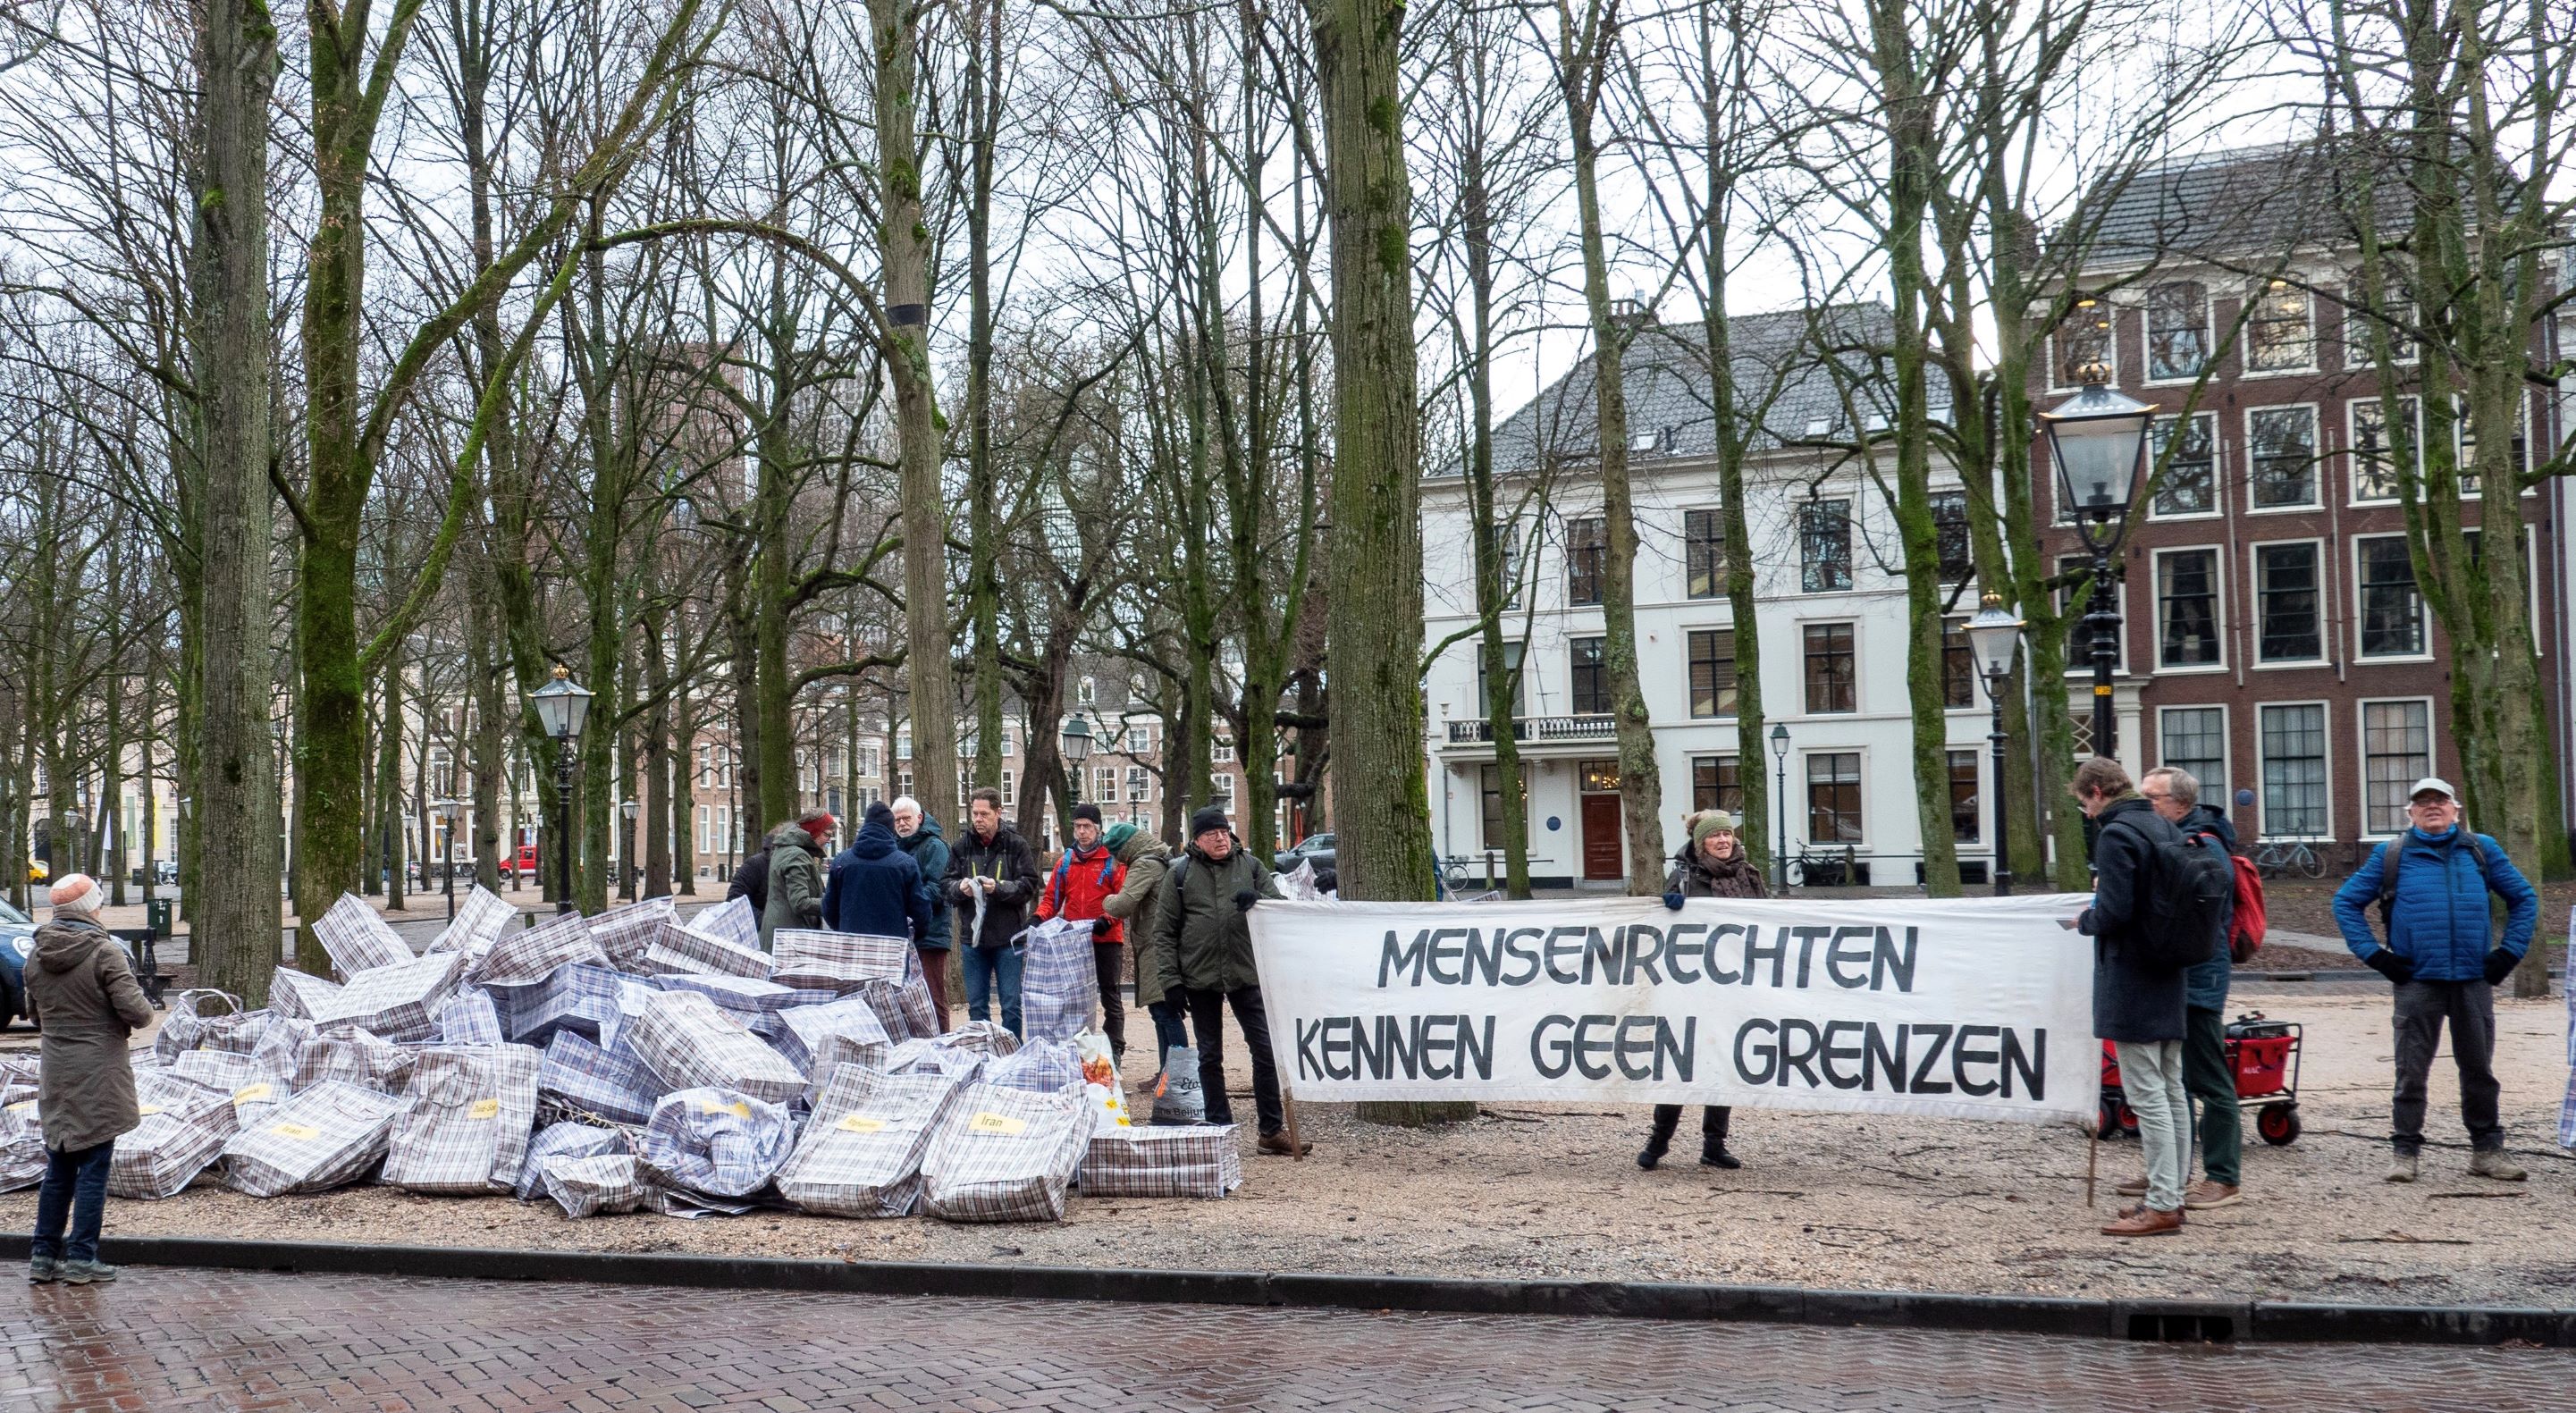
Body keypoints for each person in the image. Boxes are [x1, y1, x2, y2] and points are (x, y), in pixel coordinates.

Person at [2331, 776, 2536, 1183]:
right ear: (2410, 813)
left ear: (2456, 809)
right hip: (2417, 981)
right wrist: (2377, 958)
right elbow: (2345, 902)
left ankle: (2487, 1152)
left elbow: (2524, 898)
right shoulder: (2391, 854)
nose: (2432, 808)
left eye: (2440, 801)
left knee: (2479, 1069)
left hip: (2473, 979)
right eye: (2422, 802)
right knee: (2411, 1070)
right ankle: (2405, 1153)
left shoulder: (2481, 850)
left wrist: (2509, 953)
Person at [2070, 756, 2191, 1238]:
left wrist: (2085, 920)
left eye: (2083, 801)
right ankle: (2172, 1192)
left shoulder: (2118, 835)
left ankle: (2162, 1204)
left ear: (2098, 791)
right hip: (2169, 973)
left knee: (2147, 1094)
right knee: (2172, 1088)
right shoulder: (2164, 827)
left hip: (2132, 976)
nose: (2084, 811)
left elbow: (2116, 912)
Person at [1148, 806, 1301, 1156]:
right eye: (1211, 833)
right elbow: (1164, 931)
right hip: (1199, 977)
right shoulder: (1180, 874)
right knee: (1210, 1054)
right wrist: (1169, 981)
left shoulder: (1250, 866)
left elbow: (1279, 907)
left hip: (1246, 972)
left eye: (1224, 831)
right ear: (1197, 840)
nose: (1220, 838)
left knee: (1264, 1050)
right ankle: (1220, 1126)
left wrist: (1258, 899)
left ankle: (1271, 1130)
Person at [26, 874, 152, 1284]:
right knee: (94, 1168)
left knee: (58, 1165)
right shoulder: (104, 953)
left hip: (56, 1072)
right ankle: (82, 1257)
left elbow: (33, 1014)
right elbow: (139, 1014)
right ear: (92, 908)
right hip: (99, 1073)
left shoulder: (36, 955)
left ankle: (43, 1257)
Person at [2135, 766, 2243, 1211]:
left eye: (2154, 798)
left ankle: (2223, 1176)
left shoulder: (2203, 846)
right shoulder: (2176, 839)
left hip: (2199, 976)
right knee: (2170, 1077)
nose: (2146, 805)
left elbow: (2199, 915)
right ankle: (2171, 1171)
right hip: (2182, 973)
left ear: (2180, 805)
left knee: (2207, 1077)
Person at [1641, 812, 1762, 1172]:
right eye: (1715, 836)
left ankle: (1714, 1145)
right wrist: (1668, 906)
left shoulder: (1749, 875)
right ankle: (1658, 1141)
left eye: (1728, 834)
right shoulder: (1684, 876)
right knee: (1681, 1064)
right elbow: (1659, 925)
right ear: (1701, 842)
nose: (1724, 840)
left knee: (1722, 1063)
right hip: (1690, 987)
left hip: (1734, 986)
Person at [1036, 803, 1130, 1060]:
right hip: (1075, 941)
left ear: (1098, 829)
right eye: (1077, 827)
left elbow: (1125, 898)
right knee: (1076, 998)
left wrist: (1108, 919)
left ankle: (1114, 1052)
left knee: (1110, 995)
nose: (1082, 832)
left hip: (1107, 938)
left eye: (1087, 826)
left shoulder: (1112, 860)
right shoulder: (1066, 861)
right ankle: (1080, 1051)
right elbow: (1052, 900)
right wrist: (1037, 918)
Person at [945, 787, 1040, 1035]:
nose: (977, 819)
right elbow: (945, 886)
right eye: (974, 813)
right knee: (977, 1007)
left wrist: (998, 888)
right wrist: (960, 888)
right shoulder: (960, 847)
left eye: (984, 814)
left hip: (1008, 938)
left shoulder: (1016, 845)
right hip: (972, 941)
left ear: (998, 813)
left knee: (1011, 1004)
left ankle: (1013, 1057)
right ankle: (984, 1057)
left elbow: (1029, 885)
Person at [1100, 820, 1183, 1074]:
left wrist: (1105, 899)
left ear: (1125, 850)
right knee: (1162, 1013)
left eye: (1116, 854)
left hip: (1156, 945)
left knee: (1165, 1012)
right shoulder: (1156, 858)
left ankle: (1179, 1076)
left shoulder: (1144, 865)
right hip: (1159, 943)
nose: (1116, 859)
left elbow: (1122, 905)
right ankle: (1167, 1073)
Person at [821, 801, 932, 946]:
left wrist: (844, 930)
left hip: (851, 949)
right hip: (893, 950)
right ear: (891, 828)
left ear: (865, 825)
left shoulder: (841, 862)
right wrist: (908, 937)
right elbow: (921, 912)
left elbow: (829, 909)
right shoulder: (905, 864)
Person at [889, 796, 953, 1021]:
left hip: (931, 933)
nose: (902, 824)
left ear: (919, 817)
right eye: (897, 820)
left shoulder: (935, 847)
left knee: (932, 998)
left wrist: (904, 903)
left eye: (906, 818)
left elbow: (938, 889)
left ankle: (941, 1047)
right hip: (902, 935)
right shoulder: (894, 847)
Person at [756, 811, 834, 951]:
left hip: (780, 935)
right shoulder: (797, 856)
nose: (829, 840)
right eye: (826, 834)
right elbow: (800, 902)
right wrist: (833, 904)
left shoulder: (785, 850)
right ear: (813, 832)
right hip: (788, 941)